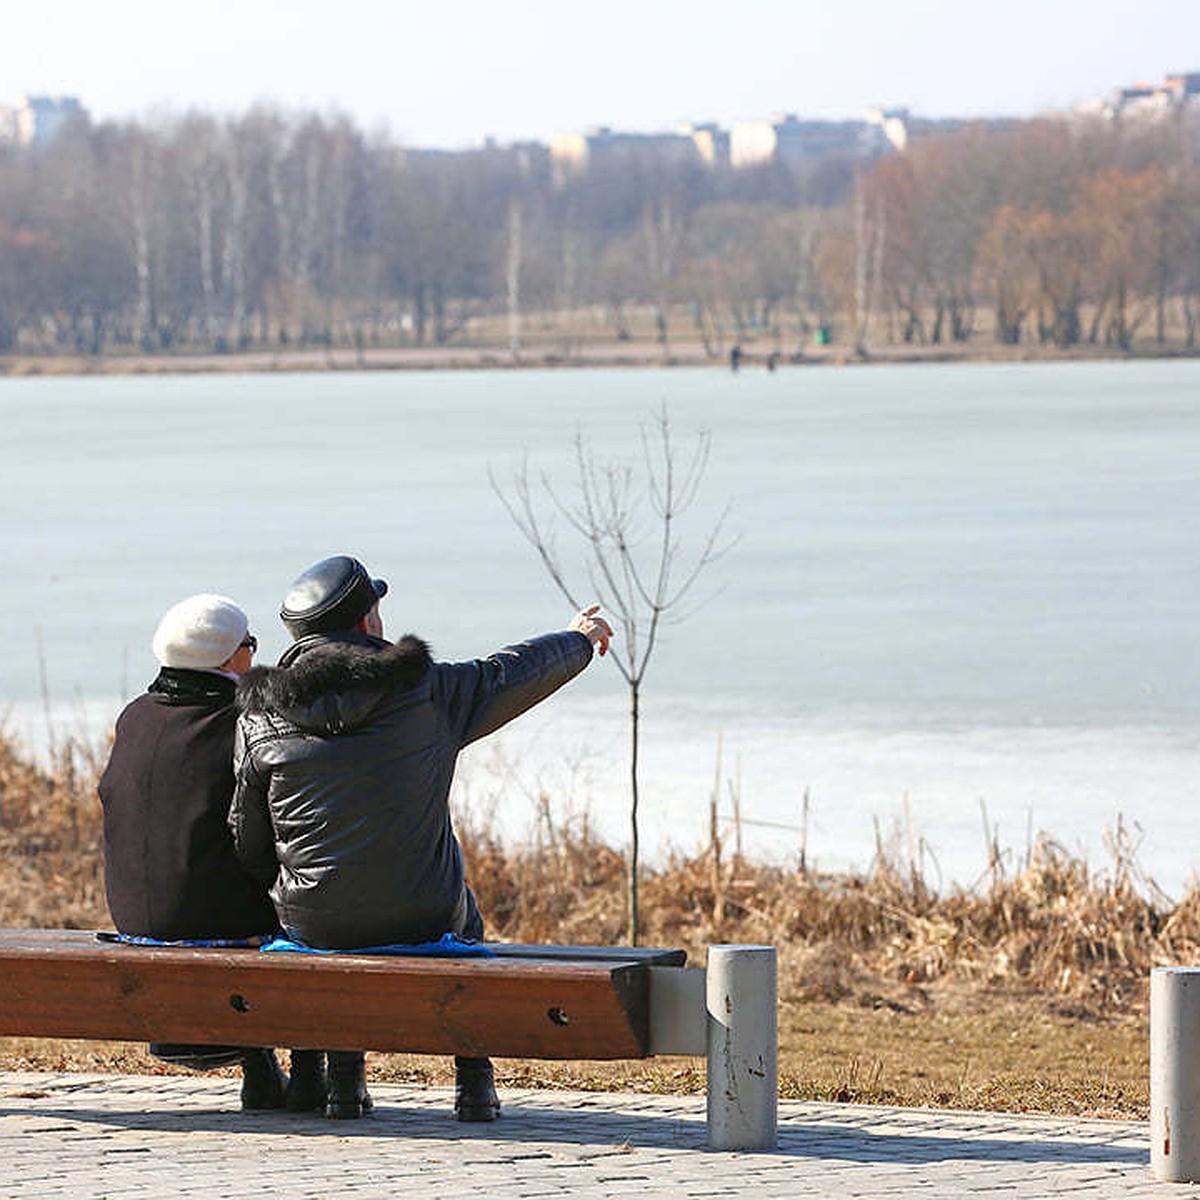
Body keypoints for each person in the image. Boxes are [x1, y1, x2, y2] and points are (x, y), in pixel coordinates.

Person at [229, 554, 612, 1121]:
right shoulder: (429, 690)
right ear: (367, 622)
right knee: (465, 913)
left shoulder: (259, 715)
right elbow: (510, 671)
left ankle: (340, 1085)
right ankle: (475, 1086)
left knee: (329, 904)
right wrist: (578, 639)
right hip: (423, 913)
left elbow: (248, 839)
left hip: (313, 918)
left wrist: (287, 883)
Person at [98, 593, 327, 1113]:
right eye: (250, 645)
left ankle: (260, 1067)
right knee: (315, 901)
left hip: (134, 916)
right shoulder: (243, 719)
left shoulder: (135, 715)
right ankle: (313, 1070)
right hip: (214, 920)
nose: (254, 656)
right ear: (228, 658)